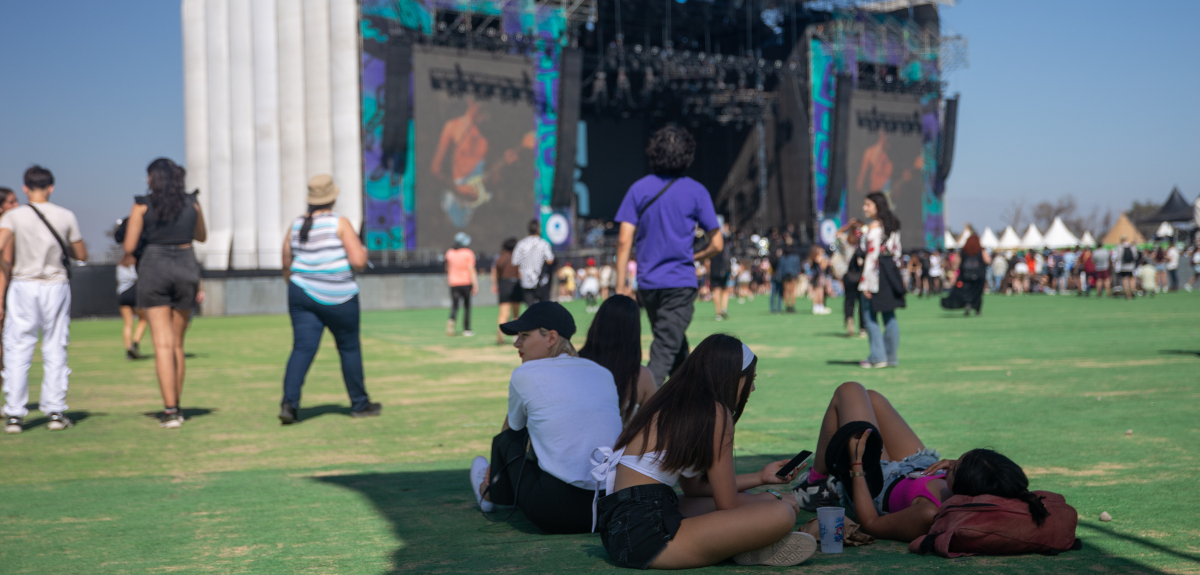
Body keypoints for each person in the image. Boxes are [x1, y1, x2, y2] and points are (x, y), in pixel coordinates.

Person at [591, 335, 817, 569]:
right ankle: (744, 545)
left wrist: (761, 478)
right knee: (781, 513)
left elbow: (695, 488)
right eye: (750, 379)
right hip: (646, 536)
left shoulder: (677, 402)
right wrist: (773, 497)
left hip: (623, 527)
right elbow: (728, 503)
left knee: (752, 500)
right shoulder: (715, 412)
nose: (753, 387)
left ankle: (744, 545)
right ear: (730, 376)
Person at [791, 382, 1050, 543]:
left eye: (956, 467)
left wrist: (856, 466)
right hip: (916, 466)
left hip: (878, 483)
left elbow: (871, 524)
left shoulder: (928, 513)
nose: (951, 463)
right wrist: (953, 465)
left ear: (965, 488)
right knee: (872, 398)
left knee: (849, 391)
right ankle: (817, 483)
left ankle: (814, 486)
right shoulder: (990, 488)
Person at [469, 302, 622, 534]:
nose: (516, 343)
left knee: (508, 439)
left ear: (551, 337)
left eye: (524, 335)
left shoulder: (524, 373)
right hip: (609, 509)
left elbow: (514, 430)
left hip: (553, 511)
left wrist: (497, 466)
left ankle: (488, 492)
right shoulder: (603, 372)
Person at [614, 126, 723, 387]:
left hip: (648, 284)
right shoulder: (697, 191)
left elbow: (623, 240)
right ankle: (639, 404)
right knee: (664, 351)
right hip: (679, 282)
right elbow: (717, 244)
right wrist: (695, 256)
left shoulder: (638, 189)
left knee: (673, 345)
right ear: (687, 155)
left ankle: (690, 397)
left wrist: (620, 285)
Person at [278, 175, 380, 425]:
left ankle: (289, 404)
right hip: (340, 297)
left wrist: (296, 285)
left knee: (302, 349)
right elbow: (358, 261)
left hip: (301, 293)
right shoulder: (339, 223)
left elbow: (286, 262)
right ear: (333, 198)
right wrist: (364, 253)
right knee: (349, 348)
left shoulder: (296, 224)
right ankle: (360, 404)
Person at [0, 168, 86, 434]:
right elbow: (81, 254)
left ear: (25, 188)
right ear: (51, 187)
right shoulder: (65, 215)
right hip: (55, 284)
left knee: (17, 347)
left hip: (23, 284)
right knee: (55, 346)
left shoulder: (14, 215)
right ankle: (56, 411)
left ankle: (14, 414)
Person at [121, 159, 205, 428]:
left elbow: (129, 246)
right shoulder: (192, 203)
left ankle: (170, 411)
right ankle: (177, 406)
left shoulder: (141, 205)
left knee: (162, 345)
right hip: (186, 264)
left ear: (153, 178)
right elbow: (201, 236)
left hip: (154, 266)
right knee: (177, 344)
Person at [577, 295, 655, 425]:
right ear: (634, 330)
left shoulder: (575, 365)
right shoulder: (642, 378)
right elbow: (651, 428)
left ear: (597, 323)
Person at [858, 192, 904, 369]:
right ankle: (891, 357)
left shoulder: (874, 228)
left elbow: (872, 256)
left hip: (876, 274)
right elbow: (897, 252)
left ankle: (877, 357)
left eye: (868, 205)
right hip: (890, 271)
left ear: (877, 206)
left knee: (869, 315)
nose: (865, 208)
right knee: (889, 315)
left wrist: (866, 283)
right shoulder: (892, 226)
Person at [941, 235, 991, 316]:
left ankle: (967, 303)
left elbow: (957, 263)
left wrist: (955, 274)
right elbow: (987, 261)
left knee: (966, 291)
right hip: (978, 276)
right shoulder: (981, 251)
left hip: (965, 275)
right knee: (977, 292)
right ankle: (977, 309)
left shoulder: (964, 251)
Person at [512, 219, 554, 307]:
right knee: (543, 307)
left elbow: (515, 262)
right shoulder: (543, 243)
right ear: (538, 229)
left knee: (530, 308)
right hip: (541, 280)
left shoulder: (521, 244)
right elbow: (550, 260)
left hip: (526, 279)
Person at [445, 232, 478, 337]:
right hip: (466, 283)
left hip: (453, 283)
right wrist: (475, 284)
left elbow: (447, 268)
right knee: (467, 307)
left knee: (455, 306)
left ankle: (451, 322)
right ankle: (466, 329)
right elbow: (471, 269)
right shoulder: (468, 253)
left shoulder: (449, 253)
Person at [490, 238, 522, 345]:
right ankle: (516, 336)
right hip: (516, 284)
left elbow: (495, 272)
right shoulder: (517, 258)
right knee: (516, 313)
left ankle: (500, 335)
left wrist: (494, 284)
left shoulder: (499, 258)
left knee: (503, 313)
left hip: (503, 285)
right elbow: (520, 273)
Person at [839, 221, 867, 337]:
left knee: (849, 301)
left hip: (848, 276)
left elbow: (838, 234)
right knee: (862, 302)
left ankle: (849, 319)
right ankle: (863, 328)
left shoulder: (847, 242)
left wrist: (848, 225)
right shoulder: (864, 242)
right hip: (861, 275)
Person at [708, 222, 733, 321]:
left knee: (716, 291)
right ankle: (724, 308)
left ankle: (718, 312)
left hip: (714, 270)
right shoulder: (725, 244)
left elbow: (707, 261)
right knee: (725, 290)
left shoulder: (710, 245)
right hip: (723, 270)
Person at [806, 246, 832, 315]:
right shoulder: (819, 258)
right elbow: (823, 267)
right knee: (819, 292)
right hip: (818, 277)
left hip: (814, 276)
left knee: (816, 292)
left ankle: (816, 307)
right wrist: (825, 260)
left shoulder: (812, 258)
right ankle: (819, 307)